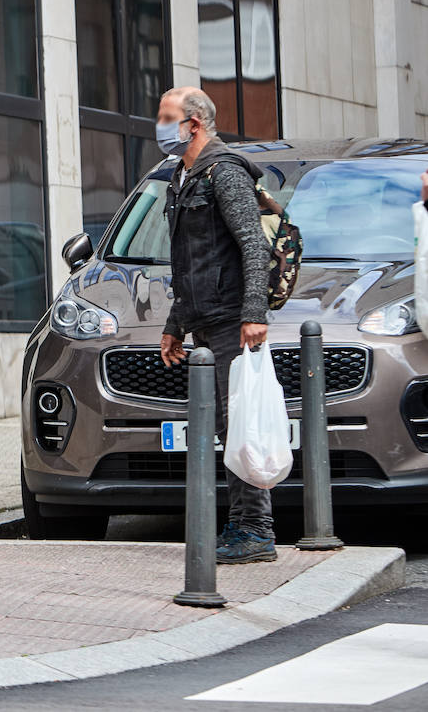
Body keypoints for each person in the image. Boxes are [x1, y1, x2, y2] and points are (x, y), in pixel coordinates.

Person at [156, 87, 275, 563]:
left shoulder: (223, 172)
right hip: (203, 319)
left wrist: (254, 313)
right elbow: (186, 260)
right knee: (225, 427)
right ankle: (239, 526)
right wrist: (173, 324)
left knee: (240, 423)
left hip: (231, 319)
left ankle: (256, 532)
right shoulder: (181, 178)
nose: (160, 127)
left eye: (167, 117)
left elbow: (253, 245)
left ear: (194, 123)